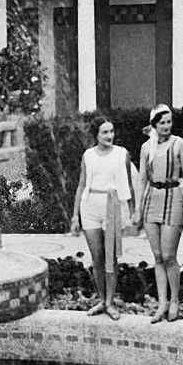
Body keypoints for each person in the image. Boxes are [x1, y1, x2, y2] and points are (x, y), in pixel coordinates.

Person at [71, 118, 136, 320]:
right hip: (90, 206)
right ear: (96, 135)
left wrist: (133, 212)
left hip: (111, 205)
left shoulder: (121, 154)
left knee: (111, 257)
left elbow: (129, 184)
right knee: (97, 257)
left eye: (111, 131)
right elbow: (82, 185)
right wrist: (75, 215)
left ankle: (110, 302)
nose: (109, 136)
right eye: (104, 132)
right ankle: (101, 299)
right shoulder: (88, 156)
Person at [135, 104, 183, 323]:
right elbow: (141, 178)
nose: (167, 126)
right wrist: (138, 209)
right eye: (162, 122)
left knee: (169, 255)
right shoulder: (146, 148)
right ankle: (162, 302)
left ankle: (175, 300)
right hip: (152, 198)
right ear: (154, 125)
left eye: (169, 121)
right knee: (157, 256)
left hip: (173, 196)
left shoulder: (179, 144)